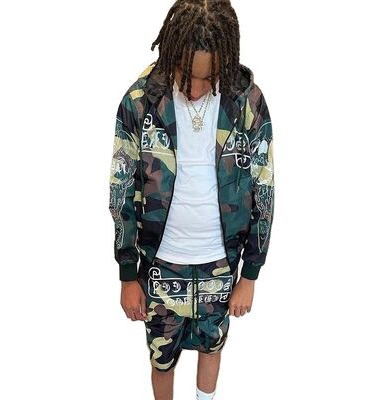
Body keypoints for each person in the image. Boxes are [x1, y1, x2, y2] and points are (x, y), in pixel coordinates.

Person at [109, 1, 274, 399]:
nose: (197, 89)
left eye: (209, 77)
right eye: (188, 75)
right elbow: (120, 190)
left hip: (220, 263)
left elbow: (265, 190)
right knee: (161, 358)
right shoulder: (140, 102)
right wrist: (128, 273)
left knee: (212, 347)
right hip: (160, 265)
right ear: (172, 54)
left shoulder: (246, 102)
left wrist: (250, 274)